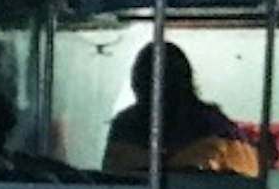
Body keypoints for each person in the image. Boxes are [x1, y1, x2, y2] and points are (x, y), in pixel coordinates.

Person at [103, 40, 259, 178]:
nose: (160, 87)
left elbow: (246, 187)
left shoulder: (215, 126)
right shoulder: (125, 126)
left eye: (167, 78)